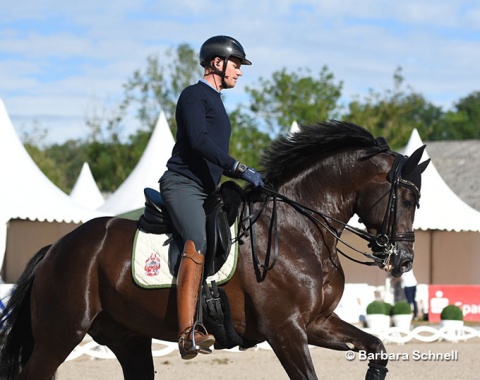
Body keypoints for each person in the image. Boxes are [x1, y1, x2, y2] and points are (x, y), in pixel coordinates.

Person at [159, 35, 264, 360]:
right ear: (216, 63)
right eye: (236, 64)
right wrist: (238, 166)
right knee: (199, 238)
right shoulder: (194, 96)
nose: (240, 72)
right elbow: (200, 141)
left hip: (207, 190)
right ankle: (188, 333)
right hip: (182, 184)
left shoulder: (217, 101)